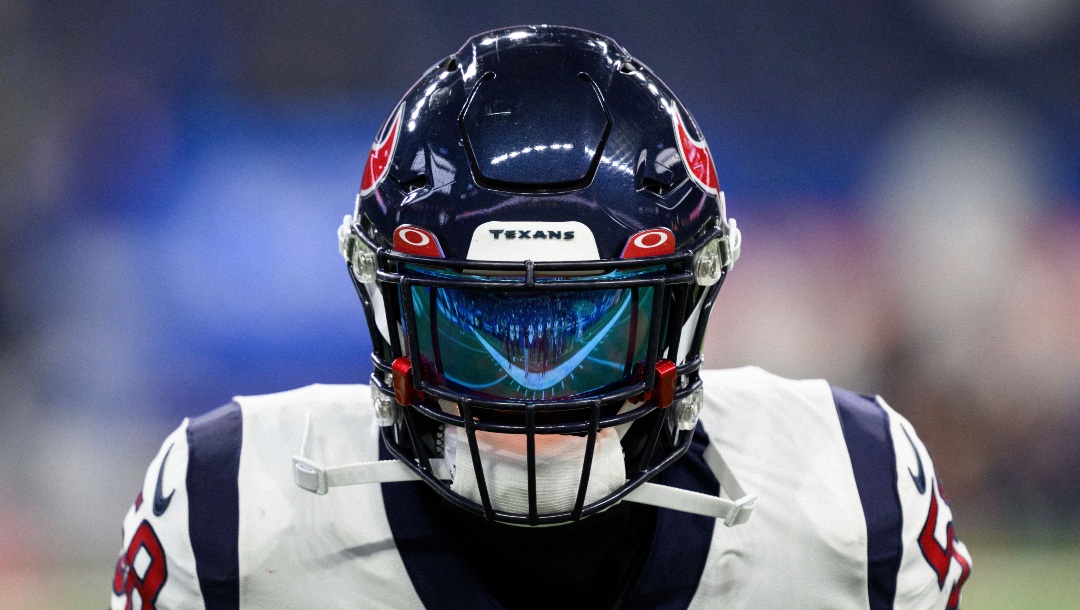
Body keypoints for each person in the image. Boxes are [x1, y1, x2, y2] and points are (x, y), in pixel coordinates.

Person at [111, 25, 971, 609]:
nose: (537, 394)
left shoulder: (849, 501)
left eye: (583, 329)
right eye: (482, 329)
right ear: (389, 313)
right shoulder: (228, 515)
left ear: (687, 307)